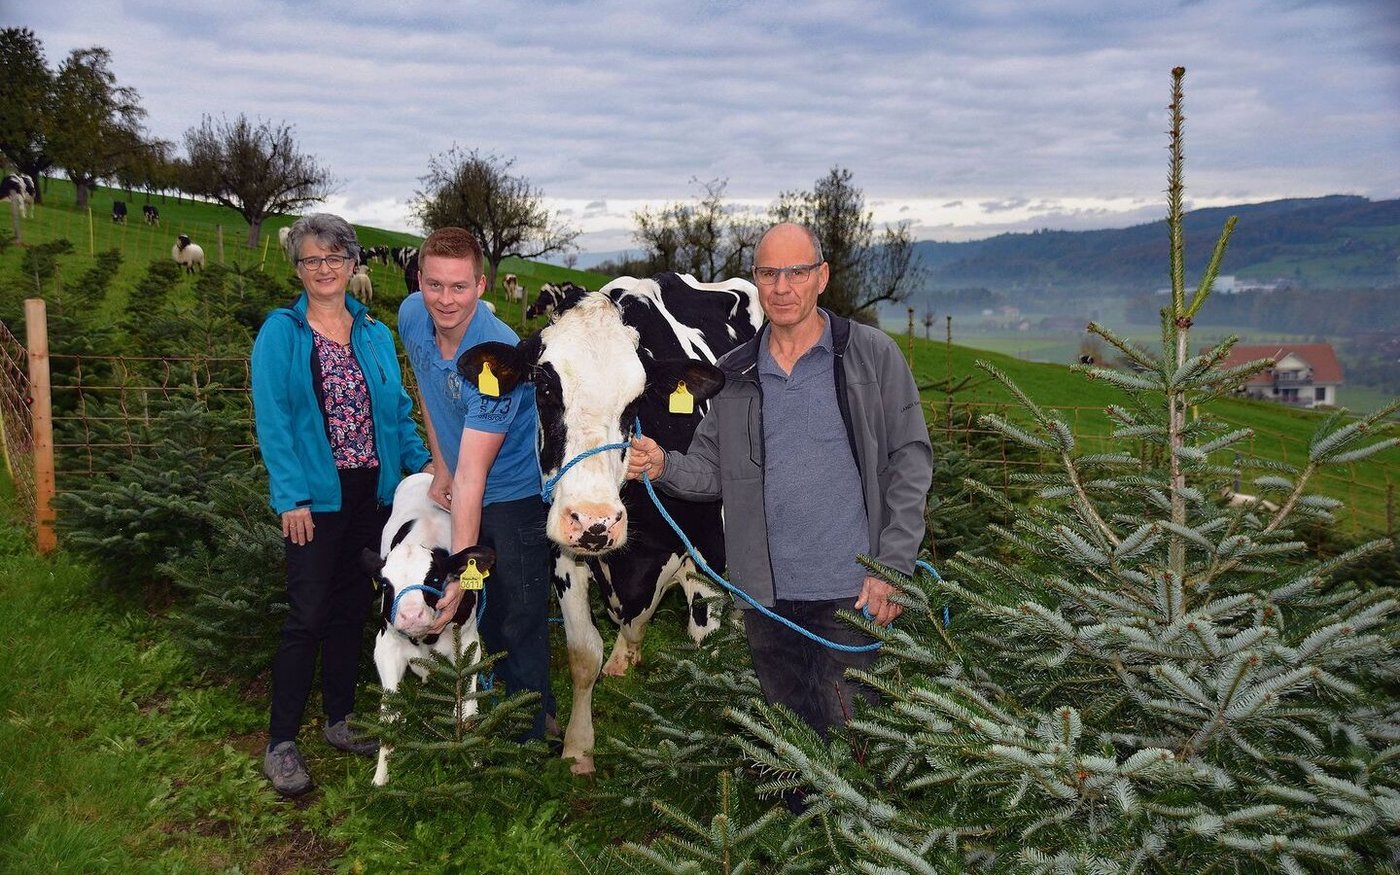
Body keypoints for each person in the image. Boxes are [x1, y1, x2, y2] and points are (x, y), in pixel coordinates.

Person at [627, 222, 932, 741]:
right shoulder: (736, 373)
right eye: (769, 274)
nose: (782, 287)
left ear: (822, 277)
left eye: (796, 272)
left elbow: (911, 462)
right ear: (755, 279)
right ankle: (800, 824)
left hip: (854, 593)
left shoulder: (871, 356)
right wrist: (662, 464)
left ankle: (854, 825)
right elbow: (710, 471)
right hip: (767, 600)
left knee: (855, 740)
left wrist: (893, 568)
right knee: (789, 743)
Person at [251, 213, 433, 795]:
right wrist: (291, 497)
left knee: (355, 607)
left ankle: (339, 719)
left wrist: (423, 465)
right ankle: (281, 741)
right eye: (311, 259)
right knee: (307, 614)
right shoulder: (281, 333)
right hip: (314, 498)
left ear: (354, 263)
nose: (323, 269)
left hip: (374, 496)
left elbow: (397, 411)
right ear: (298, 267)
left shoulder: (374, 333)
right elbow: (274, 421)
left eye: (334, 258)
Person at [397, 227, 556, 741]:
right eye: (435, 284)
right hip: (461, 476)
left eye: (459, 287)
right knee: (486, 612)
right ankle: (495, 700)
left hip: (513, 492)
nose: (446, 300)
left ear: (482, 284)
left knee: (518, 610)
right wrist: (438, 464)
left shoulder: (499, 358)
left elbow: (476, 477)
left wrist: (463, 578)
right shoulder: (410, 316)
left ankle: (532, 730)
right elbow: (425, 385)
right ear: (419, 279)